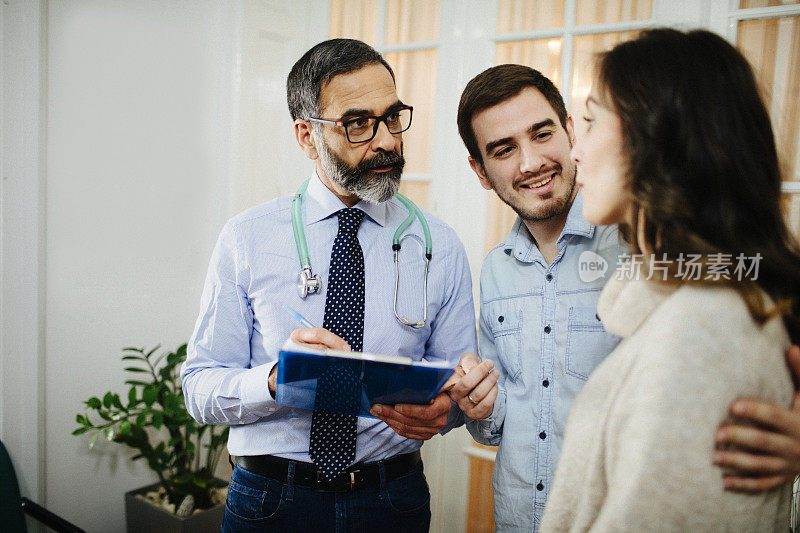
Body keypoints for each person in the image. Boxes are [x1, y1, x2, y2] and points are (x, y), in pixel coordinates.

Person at [446, 63, 800, 531]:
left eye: (543, 133)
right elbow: (504, 417)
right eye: (504, 149)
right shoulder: (495, 269)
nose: (530, 163)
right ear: (481, 171)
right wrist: (483, 407)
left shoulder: (663, 265)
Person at [181, 38, 482, 532]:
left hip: (392, 501)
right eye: (358, 123)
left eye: (392, 117)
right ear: (306, 136)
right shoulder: (247, 237)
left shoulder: (439, 246)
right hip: (270, 501)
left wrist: (445, 411)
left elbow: (456, 386)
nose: (385, 140)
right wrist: (275, 380)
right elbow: (199, 387)